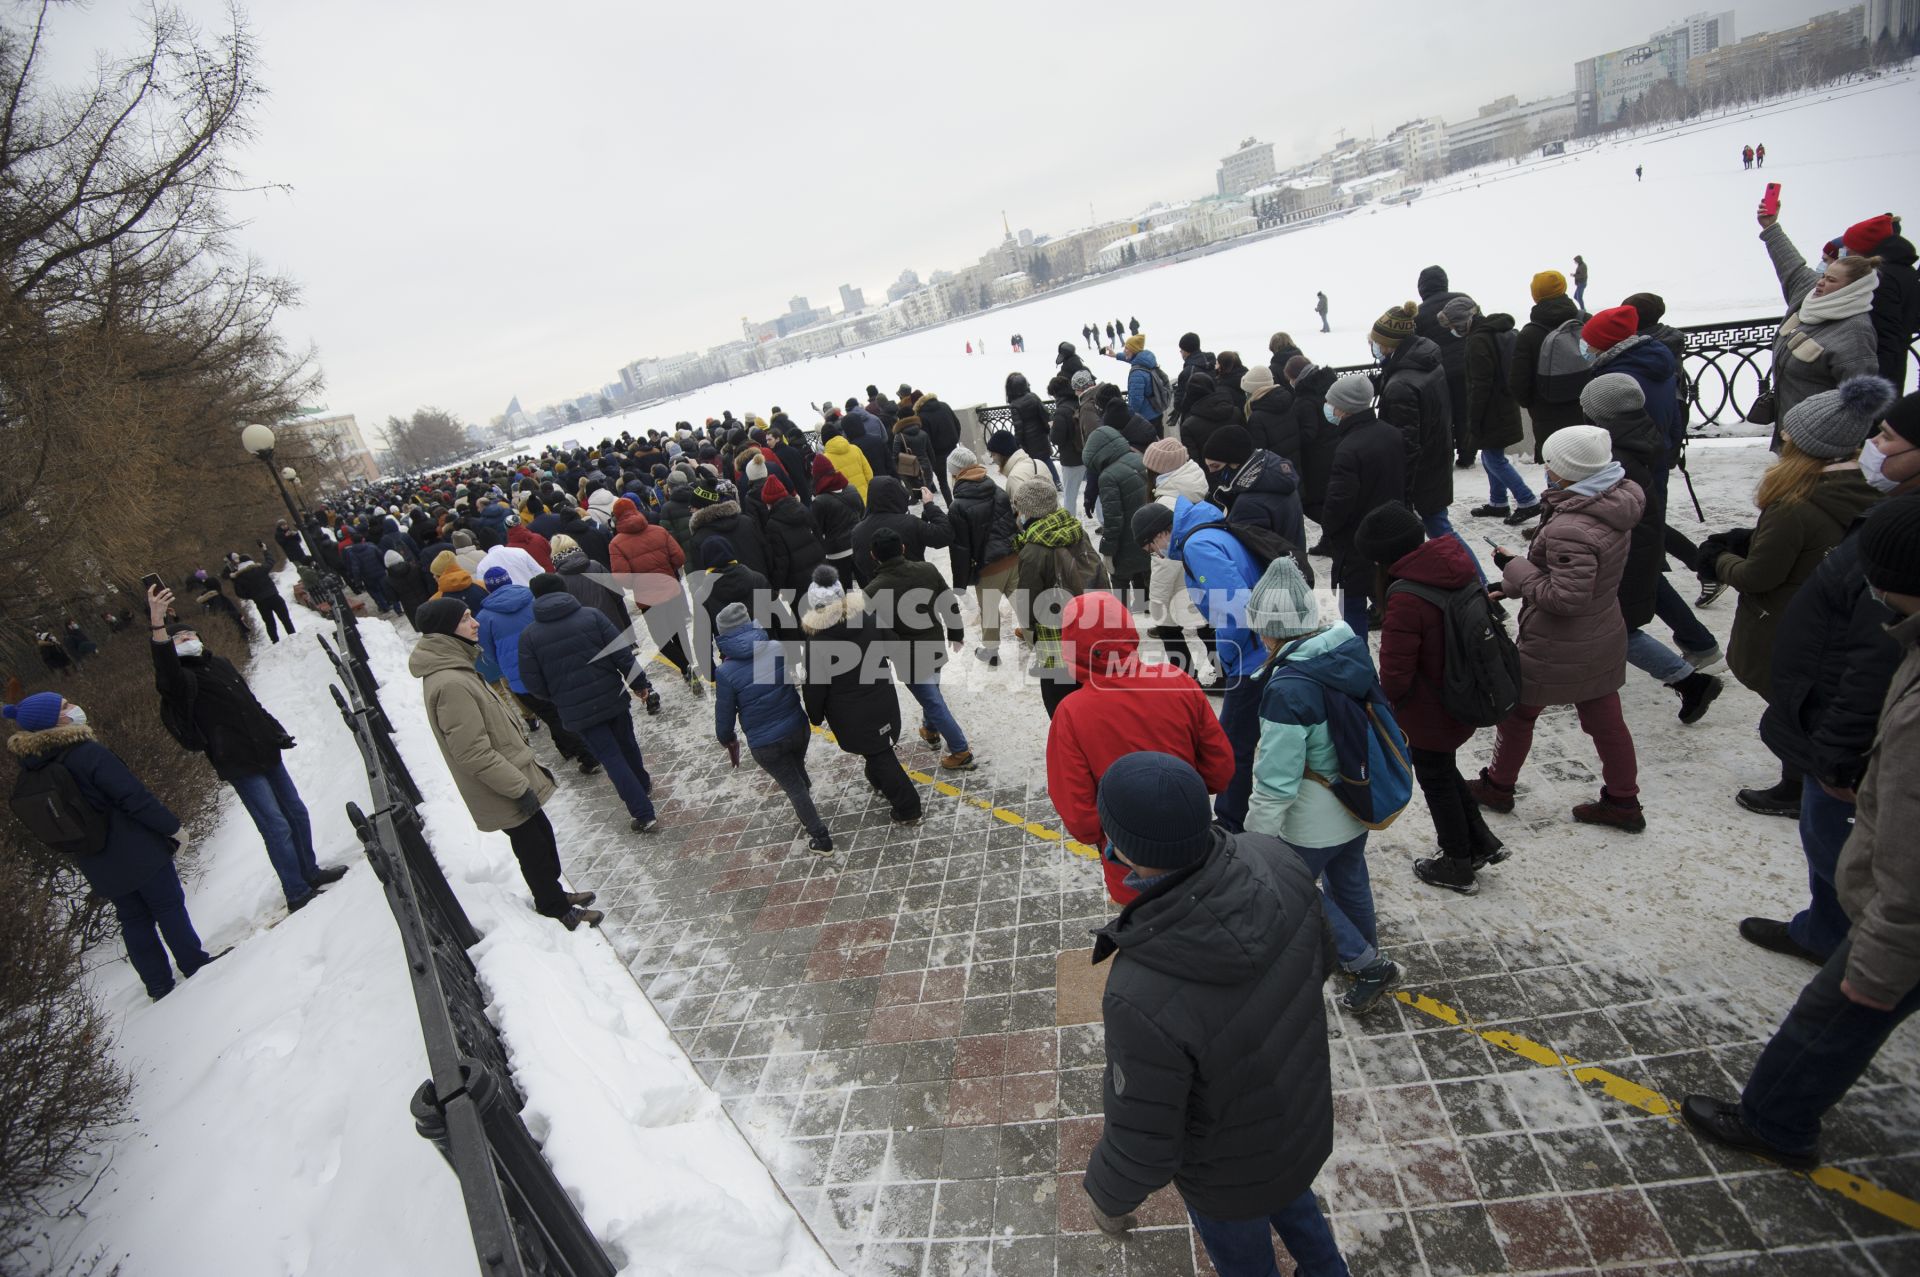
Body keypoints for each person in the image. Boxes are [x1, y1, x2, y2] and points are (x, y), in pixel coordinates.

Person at [1681, 497, 1920, 1172]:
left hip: (1899, 916)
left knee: (1835, 1013)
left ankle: (1775, 1120)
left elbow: (1909, 854)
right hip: (1872, 846)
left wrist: (1879, 960)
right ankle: (1822, 927)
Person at [1080, 751, 1350, 1277]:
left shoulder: (1139, 991)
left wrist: (1108, 1197)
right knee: (1296, 1204)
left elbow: (1145, 1135)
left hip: (1225, 1172)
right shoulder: (1275, 858)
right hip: (1299, 1117)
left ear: (1122, 846)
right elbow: (1322, 957)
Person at [1702, 377, 1890, 818]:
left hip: (1787, 624)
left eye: (1788, 436)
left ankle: (1796, 786)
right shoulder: (1870, 488)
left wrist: (1719, 559)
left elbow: (1758, 576)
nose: (1782, 440)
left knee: (1795, 705)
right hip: (1837, 623)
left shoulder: (1793, 503)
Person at [1243, 557, 1402, 1013]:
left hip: (1312, 821)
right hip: (1355, 801)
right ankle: (1364, 955)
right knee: (1350, 880)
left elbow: (1276, 782)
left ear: (1270, 630)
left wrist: (1258, 839)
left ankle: (1366, 964)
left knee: (1293, 892)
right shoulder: (1343, 652)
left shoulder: (1287, 690)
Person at [1470, 426, 1646, 831]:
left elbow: (1565, 598)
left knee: (1517, 715)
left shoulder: (1572, 525)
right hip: (1601, 631)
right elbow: (1571, 577)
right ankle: (1623, 801)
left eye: (1550, 462)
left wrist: (1513, 566)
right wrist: (1511, 585)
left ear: (1566, 472)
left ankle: (1498, 785)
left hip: (1556, 644)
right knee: (1606, 722)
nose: (1544, 467)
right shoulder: (1611, 500)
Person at [5, 692, 217, 1000]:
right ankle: (194, 962)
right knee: (167, 905)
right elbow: (133, 797)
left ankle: (157, 983)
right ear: (56, 720)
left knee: (132, 918)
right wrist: (171, 828)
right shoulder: (87, 753)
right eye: (65, 706)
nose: (73, 707)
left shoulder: (32, 768)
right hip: (137, 850)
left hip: (95, 859)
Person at [146, 586, 344, 911]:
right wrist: (157, 624)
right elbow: (165, 670)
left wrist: (274, 730)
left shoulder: (219, 664)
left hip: (264, 749)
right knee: (275, 826)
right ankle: (296, 891)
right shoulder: (180, 681)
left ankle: (310, 871)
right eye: (179, 640)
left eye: (191, 636)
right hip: (237, 760)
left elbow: (249, 704)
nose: (188, 641)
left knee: (296, 812)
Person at [408, 599, 601, 929]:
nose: (475, 623)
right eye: (466, 618)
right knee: (533, 849)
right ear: (446, 629)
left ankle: (554, 894)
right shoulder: (450, 682)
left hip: (510, 778)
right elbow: (471, 751)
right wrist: (518, 786)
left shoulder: (456, 667)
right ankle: (555, 908)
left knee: (541, 837)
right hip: (503, 786)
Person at [1045, 594, 1235, 903]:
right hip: (1196, 849)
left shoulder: (1071, 714)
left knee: (1144, 941)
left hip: (1131, 870)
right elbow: (1220, 771)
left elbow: (1081, 819)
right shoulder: (1178, 681)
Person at [1358, 504, 1507, 895]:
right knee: (1443, 769)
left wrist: (1384, 708)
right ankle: (1480, 841)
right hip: (1461, 693)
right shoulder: (1453, 566)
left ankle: (1457, 862)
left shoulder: (1406, 595)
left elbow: (1395, 673)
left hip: (1428, 708)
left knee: (1436, 778)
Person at [1580, 374, 1725, 724]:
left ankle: (1689, 681)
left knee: (1611, 629)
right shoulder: (1635, 436)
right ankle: (1700, 644)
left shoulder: (1612, 458)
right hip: (1638, 546)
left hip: (1622, 551)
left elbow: (1605, 512)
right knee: (1648, 592)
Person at [1147, 492, 1268, 828]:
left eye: (1150, 547)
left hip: (1253, 657)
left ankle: (1231, 820)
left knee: (1233, 745)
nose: (1155, 554)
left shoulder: (1197, 547)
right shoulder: (1209, 530)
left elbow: (1236, 610)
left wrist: (1228, 659)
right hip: (1267, 646)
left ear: (1160, 534)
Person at [516, 574, 661, 833]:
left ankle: (643, 813)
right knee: (627, 743)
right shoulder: (592, 616)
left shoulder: (529, 636)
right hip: (612, 696)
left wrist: (557, 696)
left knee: (610, 757)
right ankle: (642, 783)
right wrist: (640, 684)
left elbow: (533, 682)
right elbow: (622, 654)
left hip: (576, 709)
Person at [799, 565, 922, 825]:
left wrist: (815, 715)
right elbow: (894, 646)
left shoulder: (818, 643)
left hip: (850, 713)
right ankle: (878, 782)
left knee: (880, 755)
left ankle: (909, 809)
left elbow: (815, 686)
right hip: (882, 697)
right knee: (877, 750)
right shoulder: (868, 618)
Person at [1374, 301, 1482, 585]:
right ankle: (1476, 583)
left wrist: (1402, 491)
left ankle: (1479, 584)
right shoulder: (1426, 360)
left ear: (1389, 344)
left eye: (1377, 342)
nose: (1374, 347)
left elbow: (1406, 444)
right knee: (1440, 528)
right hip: (1436, 461)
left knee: (1440, 531)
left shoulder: (1401, 385)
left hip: (1422, 474)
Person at [711, 601, 833, 853]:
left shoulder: (725, 672)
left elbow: (724, 717)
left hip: (766, 743)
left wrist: (726, 738)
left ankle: (821, 838)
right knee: (797, 771)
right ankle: (805, 802)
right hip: (797, 728)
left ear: (723, 635)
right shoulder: (776, 647)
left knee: (793, 786)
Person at [1758, 198, 1882, 442]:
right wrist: (1770, 227)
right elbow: (1791, 265)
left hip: (1821, 445)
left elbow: (1861, 404)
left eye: (1832, 280)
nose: (1821, 282)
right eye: (1824, 275)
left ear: (1853, 289)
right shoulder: (1809, 295)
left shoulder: (1854, 330)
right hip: (1790, 435)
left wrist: (1834, 449)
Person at [863, 527, 975, 771]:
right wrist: (956, 634)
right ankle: (931, 730)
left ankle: (960, 750)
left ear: (874, 555)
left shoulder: (872, 591)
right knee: (931, 690)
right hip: (934, 643)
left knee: (933, 700)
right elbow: (948, 604)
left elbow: (874, 632)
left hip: (908, 656)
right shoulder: (927, 570)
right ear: (902, 548)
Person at [477, 568, 605, 773]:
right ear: (509, 580)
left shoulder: (484, 617)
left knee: (550, 714)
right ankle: (568, 746)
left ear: (488, 587)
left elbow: (489, 652)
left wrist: (505, 667)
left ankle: (586, 755)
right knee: (559, 709)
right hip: (550, 663)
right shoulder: (532, 598)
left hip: (519, 675)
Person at [1318, 373, 1406, 639]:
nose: (1327, 407)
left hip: (1357, 541)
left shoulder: (1348, 448)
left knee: (1352, 606)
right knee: (1391, 599)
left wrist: (1330, 530)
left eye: (1330, 402)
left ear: (1343, 408)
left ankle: (1358, 665)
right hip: (1391, 532)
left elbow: (1339, 502)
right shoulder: (1391, 434)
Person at [1012, 476, 1109, 717]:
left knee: (1060, 706)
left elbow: (1028, 603)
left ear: (1028, 512)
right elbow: (1098, 572)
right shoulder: (1076, 531)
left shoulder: (1033, 550)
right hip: (1089, 627)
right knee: (1092, 696)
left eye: (1019, 510)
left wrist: (1030, 632)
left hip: (1055, 638)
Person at [1441, 295, 1538, 524]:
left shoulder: (1478, 341)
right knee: (1489, 455)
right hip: (1504, 404)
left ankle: (1528, 501)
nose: (1454, 331)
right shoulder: (1494, 331)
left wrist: (1473, 419)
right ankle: (1498, 502)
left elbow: (1480, 384)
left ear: (1465, 320)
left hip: (1491, 410)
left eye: (1454, 325)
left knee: (1494, 458)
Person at [1141, 438, 1220, 684]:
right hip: (1200, 571)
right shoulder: (1192, 485)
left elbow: (1164, 561)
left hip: (1179, 578)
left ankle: (1185, 680)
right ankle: (1223, 673)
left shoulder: (1165, 502)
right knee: (1207, 624)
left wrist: (1157, 599)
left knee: (1169, 629)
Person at [946, 445, 1020, 667]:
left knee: (989, 611)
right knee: (1023, 605)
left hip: (988, 567)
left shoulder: (958, 505)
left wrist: (959, 583)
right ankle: (1040, 642)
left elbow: (960, 549)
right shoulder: (996, 488)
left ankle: (992, 651)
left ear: (956, 473)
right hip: (1013, 558)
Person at [1508, 270, 1587, 461]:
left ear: (1535, 295)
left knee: (1556, 471)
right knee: (1590, 462)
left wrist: (1533, 403)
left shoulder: (1529, 333)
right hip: (1587, 408)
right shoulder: (1586, 321)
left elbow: (1519, 381)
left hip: (1547, 414)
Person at [1839, 213, 1920, 393]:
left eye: (1851, 248)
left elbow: (1884, 334)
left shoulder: (1880, 278)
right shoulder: (1905, 270)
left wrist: (1873, 390)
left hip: (1876, 375)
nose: (1847, 252)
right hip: (1894, 364)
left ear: (1865, 249)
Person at [1081, 403, 1152, 603]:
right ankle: (1144, 608)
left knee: (1120, 582)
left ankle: (1123, 619)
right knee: (1142, 577)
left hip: (1125, 545)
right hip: (1146, 537)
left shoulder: (1108, 477)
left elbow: (1113, 521)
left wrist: (1107, 550)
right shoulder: (1138, 457)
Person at [1410, 266, 1471, 468]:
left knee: (1444, 415)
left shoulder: (1419, 314)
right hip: (1468, 366)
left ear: (1422, 288)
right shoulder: (1462, 299)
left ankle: (1447, 456)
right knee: (1465, 412)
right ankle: (1467, 454)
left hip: (1439, 372)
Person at [850, 476, 951, 586]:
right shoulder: (910, 523)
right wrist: (929, 506)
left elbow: (860, 563)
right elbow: (944, 534)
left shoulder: (857, 531)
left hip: (880, 592)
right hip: (916, 586)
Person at [227, 553, 297, 642]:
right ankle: (293, 635)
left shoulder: (240, 577)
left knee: (269, 623)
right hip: (274, 597)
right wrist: (265, 551)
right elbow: (271, 561)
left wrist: (251, 596)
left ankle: (275, 641)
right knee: (285, 619)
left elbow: (239, 593)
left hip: (261, 603)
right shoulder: (260, 569)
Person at [1004, 372, 1059, 485]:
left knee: (1033, 464)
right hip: (1041, 436)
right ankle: (1056, 481)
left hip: (1028, 442)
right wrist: (1047, 429)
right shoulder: (1033, 397)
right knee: (1046, 460)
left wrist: (1017, 443)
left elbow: (1018, 427)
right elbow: (1045, 414)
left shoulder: (1014, 405)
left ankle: (1040, 484)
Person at [1177, 370, 1238, 468]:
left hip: (1210, 473)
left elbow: (1194, 460)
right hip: (1237, 468)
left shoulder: (1188, 425)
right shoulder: (1235, 412)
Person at [1050, 373, 1089, 516]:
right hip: (1085, 454)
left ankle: (1069, 520)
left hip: (1071, 459)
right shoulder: (1078, 403)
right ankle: (1102, 519)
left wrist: (1052, 428)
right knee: (1094, 490)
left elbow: (1056, 438)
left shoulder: (1061, 411)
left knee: (1070, 495)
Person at [915, 391, 963, 502]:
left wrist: (930, 456)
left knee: (943, 482)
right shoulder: (944, 405)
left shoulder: (921, 416)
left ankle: (951, 507)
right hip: (952, 447)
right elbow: (957, 424)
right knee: (959, 477)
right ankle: (962, 502)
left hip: (937, 454)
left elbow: (927, 440)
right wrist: (955, 439)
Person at [819, 422, 874, 501]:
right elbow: (869, 472)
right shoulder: (855, 448)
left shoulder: (825, 459)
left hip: (849, 502)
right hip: (866, 495)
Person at [1119, 332, 1163, 427]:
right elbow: (1129, 357)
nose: (1124, 350)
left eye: (1127, 348)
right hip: (1156, 412)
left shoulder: (1137, 374)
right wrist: (1116, 355)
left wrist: (1130, 417)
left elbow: (1136, 401)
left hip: (1146, 418)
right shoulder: (1147, 361)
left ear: (1134, 350)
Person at [1171, 331, 1215, 423]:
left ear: (1186, 351)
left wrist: (1177, 392)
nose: (1181, 352)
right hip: (1212, 413)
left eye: (1181, 350)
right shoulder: (1212, 363)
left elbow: (1180, 403)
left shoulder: (1188, 372)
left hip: (1194, 418)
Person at [385, 549, 432, 626]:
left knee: (424, 628)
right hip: (428, 600)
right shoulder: (415, 568)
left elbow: (393, 598)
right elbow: (426, 581)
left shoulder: (388, 580)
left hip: (411, 608)